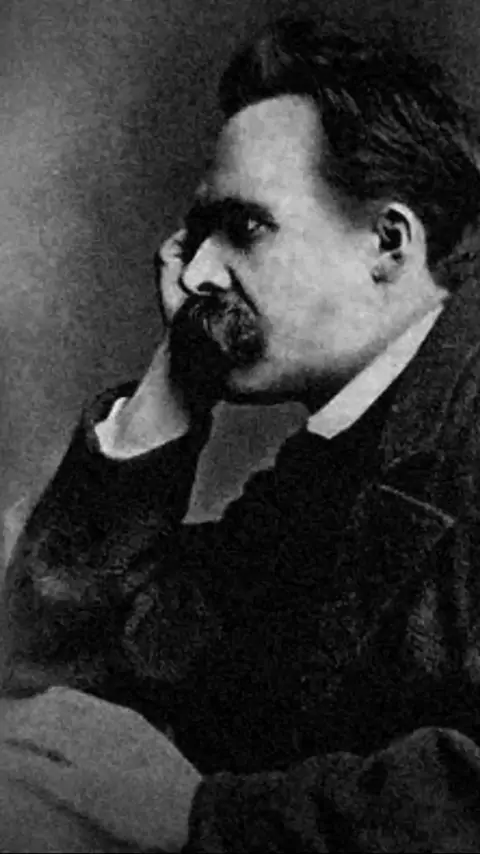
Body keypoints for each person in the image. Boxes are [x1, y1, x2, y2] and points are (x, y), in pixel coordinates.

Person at [3, 11, 480, 852]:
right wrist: (174, 382)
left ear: (388, 243)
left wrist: (200, 816)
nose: (194, 273)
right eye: (197, 236)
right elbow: (55, 656)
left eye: (245, 227)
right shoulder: (331, 458)